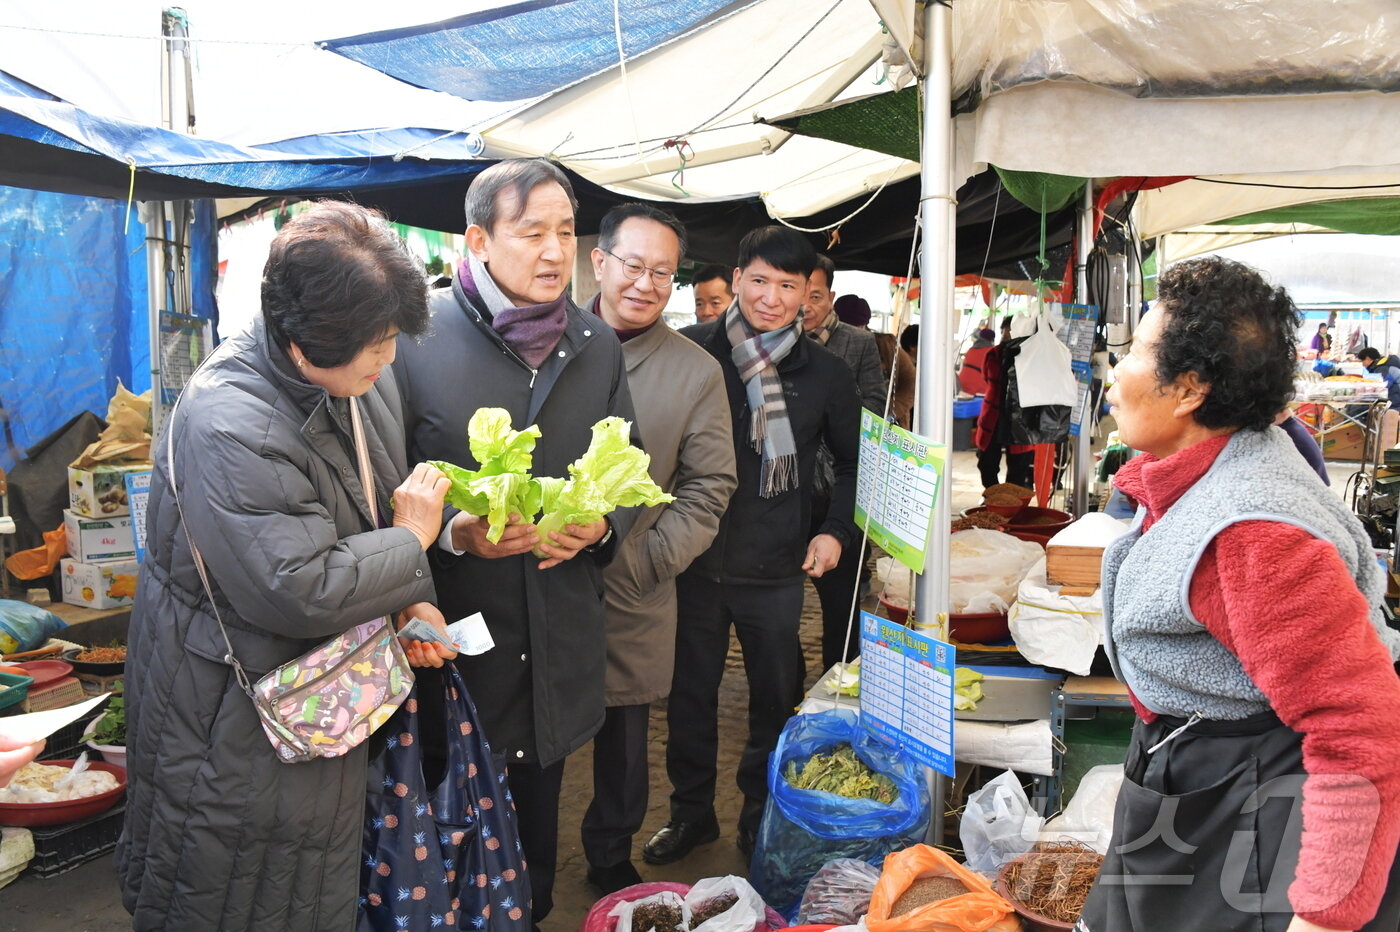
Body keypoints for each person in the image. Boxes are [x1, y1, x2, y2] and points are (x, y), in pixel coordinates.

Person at [119, 202, 458, 931]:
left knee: (304, 888)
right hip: (229, 723)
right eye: (377, 345)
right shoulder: (228, 419)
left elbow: (376, 502)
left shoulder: (343, 377)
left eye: (393, 338)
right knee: (230, 894)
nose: (388, 360)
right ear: (302, 342)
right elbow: (300, 586)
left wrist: (411, 599)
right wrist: (411, 544)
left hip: (305, 706)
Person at [1079, 256, 1400, 932]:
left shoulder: (1253, 533)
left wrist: (1322, 915)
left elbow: (1360, 731)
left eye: (1135, 352)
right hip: (1202, 782)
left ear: (1190, 387)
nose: (1115, 374)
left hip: (1259, 816)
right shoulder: (1216, 464)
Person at [392, 158, 638, 925]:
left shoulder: (595, 344)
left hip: (558, 641)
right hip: (453, 653)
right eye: (532, 232)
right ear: (477, 239)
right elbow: (375, 495)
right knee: (445, 842)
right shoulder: (413, 342)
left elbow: (630, 468)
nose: (555, 251)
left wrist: (601, 526)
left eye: (566, 232)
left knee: (533, 848)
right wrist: (457, 536)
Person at [643, 226, 860, 865]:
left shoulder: (826, 372)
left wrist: (835, 531)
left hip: (778, 564)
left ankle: (758, 814)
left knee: (774, 698)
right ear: (736, 279)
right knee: (688, 697)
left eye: (787, 286)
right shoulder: (688, 353)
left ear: (808, 296)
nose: (770, 298)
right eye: (759, 280)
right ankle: (692, 816)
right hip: (692, 560)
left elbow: (853, 465)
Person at [579, 203, 737, 894]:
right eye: (634, 266)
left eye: (662, 273)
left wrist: (646, 560)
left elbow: (710, 484)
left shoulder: (694, 370)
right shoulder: (541, 340)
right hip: (533, 574)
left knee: (623, 733)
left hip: (630, 582)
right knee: (531, 730)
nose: (645, 283)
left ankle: (610, 856)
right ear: (600, 262)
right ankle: (516, 866)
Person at [801, 256, 884, 672]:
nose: (806, 304)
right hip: (792, 493)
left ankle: (841, 677)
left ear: (829, 296)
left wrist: (830, 419)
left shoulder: (858, 342)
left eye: (816, 295)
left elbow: (874, 408)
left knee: (842, 604)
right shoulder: (778, 341)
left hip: (840, 490)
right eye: (802, 293)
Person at [973, 319, 1035, 489]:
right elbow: (987, 379)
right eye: (1005, 330)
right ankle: (993, 495)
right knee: (986, 461)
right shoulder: (992, 354)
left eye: (1011, 330)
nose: (1007, 334)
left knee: (1019, 465)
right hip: (993, 414)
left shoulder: (1030, 356)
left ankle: (1012, 502)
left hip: (1020, 418)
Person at [957, 326, 996, 396]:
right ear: (992, 339)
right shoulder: (991, 352)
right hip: (978, 387)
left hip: (961, 384)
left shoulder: (970, 350)